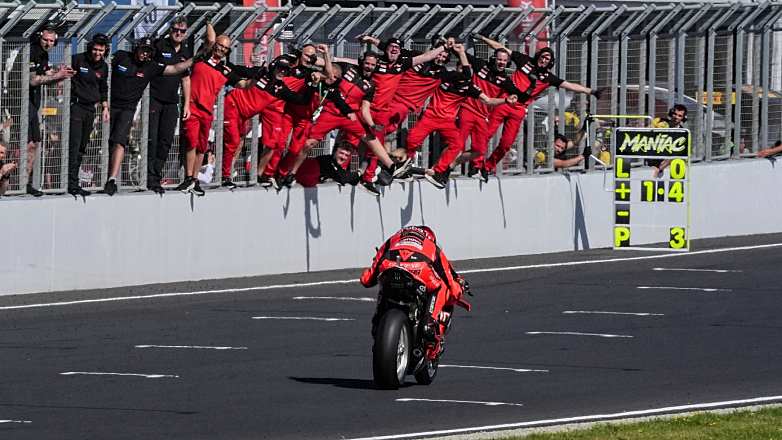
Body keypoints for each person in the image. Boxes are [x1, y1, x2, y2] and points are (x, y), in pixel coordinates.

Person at [472, 34, 603, 181]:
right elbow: (500, 48)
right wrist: (482, 38)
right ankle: (475, 165)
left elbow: (571, 85)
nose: (544, 59)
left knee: (506, 144)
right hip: (505, 102)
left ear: (550, 63)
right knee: (486, 134)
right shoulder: (524, 61)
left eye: (547, 58)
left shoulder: (548, 78)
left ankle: (487, 167)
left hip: (520, 110)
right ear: (538, 56)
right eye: (542, 56)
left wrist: (591, 91)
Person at [403, 44, 516, 189]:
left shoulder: (470, 87)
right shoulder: (444, 76)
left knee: (461, 145)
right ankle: (406, 167)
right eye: (460, 69)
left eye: (465, 70)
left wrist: (506, 100)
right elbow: (425, 82)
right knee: (412, 139)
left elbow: (488, 100)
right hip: (431, 116)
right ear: (455, 68)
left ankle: (440, 170)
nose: (462, 72)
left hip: (448, 121)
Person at [104, 36, 197, 196]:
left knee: (119, 142)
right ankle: (99, 178)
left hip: (127, 109)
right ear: (136, 48)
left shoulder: (151, 67)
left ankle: (113, 180)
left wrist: (194, 59)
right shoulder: (120, 56)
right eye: (142, 49)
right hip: (107, 106)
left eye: (148, 51)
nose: (144, 54)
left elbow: (175, 69)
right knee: (106, 144)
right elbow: (104, 63)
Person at [221, 55, 318, 189]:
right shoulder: (260, 73)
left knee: (265, 142)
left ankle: (250, 174)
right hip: (233, 105)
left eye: (285, 70)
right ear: (273, 67)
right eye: (280, 68)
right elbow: (237, 69)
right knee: (232, 142)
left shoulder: (281, 89)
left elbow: (303, 101)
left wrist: (313, 85)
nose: (282, 72)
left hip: (245, 115)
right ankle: (224, 176)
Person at [179, 32, 258, 196]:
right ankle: (188, 177)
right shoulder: (203, 56)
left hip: (207, 111)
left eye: (225, 48)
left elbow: (244, 85)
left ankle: (194, 180)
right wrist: (208, 20)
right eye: (220, 45)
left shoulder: (225, 70)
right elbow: (209, 38)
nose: (221, 49)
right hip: (193, 105)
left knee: (202, 146)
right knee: (191, 142)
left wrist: (259, 76)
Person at [360, 225, 468, 343]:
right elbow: (449, 278)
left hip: (390, 267)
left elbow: (367, 280)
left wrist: (368, 275)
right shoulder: (432, 246)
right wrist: (459, 289)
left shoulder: (392, 240)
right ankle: (428, 322)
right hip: (420, 271)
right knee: (440, 286)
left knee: (384, 281)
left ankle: (377, 322)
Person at [269, 44, 334, 187]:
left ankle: (282, 174)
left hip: (302, 117)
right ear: (300, 54)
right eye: (306, 55)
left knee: (295, 149)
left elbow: (329, 74)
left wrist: (326, 54)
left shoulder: (309, 74)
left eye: (312, 57)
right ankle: (269, 173)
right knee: (278, 143)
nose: (308, 59)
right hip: (286, 111)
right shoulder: (287, 66)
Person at [455, 47, 521, 181]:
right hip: (468, 109)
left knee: (480, 148)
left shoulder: (505, 80)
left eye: (504, 60)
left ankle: (474, 168)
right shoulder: (480, 65)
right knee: (457, 142)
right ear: (493, 59)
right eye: (499, 59)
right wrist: (452, 48)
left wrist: (514, 96)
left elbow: (516, 92)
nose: (501, 63)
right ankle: (445, 168)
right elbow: (464, 56)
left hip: (483, 116)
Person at [27, 23, 76, 196]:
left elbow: (48, 76)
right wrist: (57, 76)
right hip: (19, 102)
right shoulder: (30, 51)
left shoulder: (45, 55)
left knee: (34, 143)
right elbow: (32, 80)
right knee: (22, 144)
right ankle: (13, 181)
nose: (48, 44)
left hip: (33, 103)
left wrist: (62, 74)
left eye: (51, 41)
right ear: (39, 37)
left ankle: (25, 183)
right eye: (46, 40)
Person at [147, 15, 192, 194]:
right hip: (154, 98)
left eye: (181, 31)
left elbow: (186, 79)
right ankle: (149, 177)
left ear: (185, 33)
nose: (178, 33)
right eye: (175, 30)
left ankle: (156, 177)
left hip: (172, 101)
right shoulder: (159, 45)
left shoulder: (186, 51)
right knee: (152, 139)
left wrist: (186, 104)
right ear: (170, 30)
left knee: (166, 141)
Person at [67, 33, 109, 197]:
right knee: (74, 144)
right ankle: (70, 182)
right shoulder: (78, 59)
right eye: (95, 49)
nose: (97, 53)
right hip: (77, 106)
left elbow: (103, 88)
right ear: (91, 47)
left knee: (83, 146)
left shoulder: (103, 67)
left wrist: (105, 107)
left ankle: (74, 180)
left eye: (101, 50)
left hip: (91, 110)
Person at [294, 141, 359, 187]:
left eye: (346, 155)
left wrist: (357, 177)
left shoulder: (333, 162)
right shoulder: (324, 162)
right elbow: (342, 179)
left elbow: (347, 178)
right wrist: (359, 173)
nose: (343, 157)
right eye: (341, 153)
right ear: (334, 152)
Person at [649, 104, 688, 177]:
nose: (676, 117)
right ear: (671, 113)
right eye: (675, 114)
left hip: (662, 164)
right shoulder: (661, 122)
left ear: (683, 118)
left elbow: (673, 156)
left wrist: (659, 169)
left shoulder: (682, 134)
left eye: (679, 116)